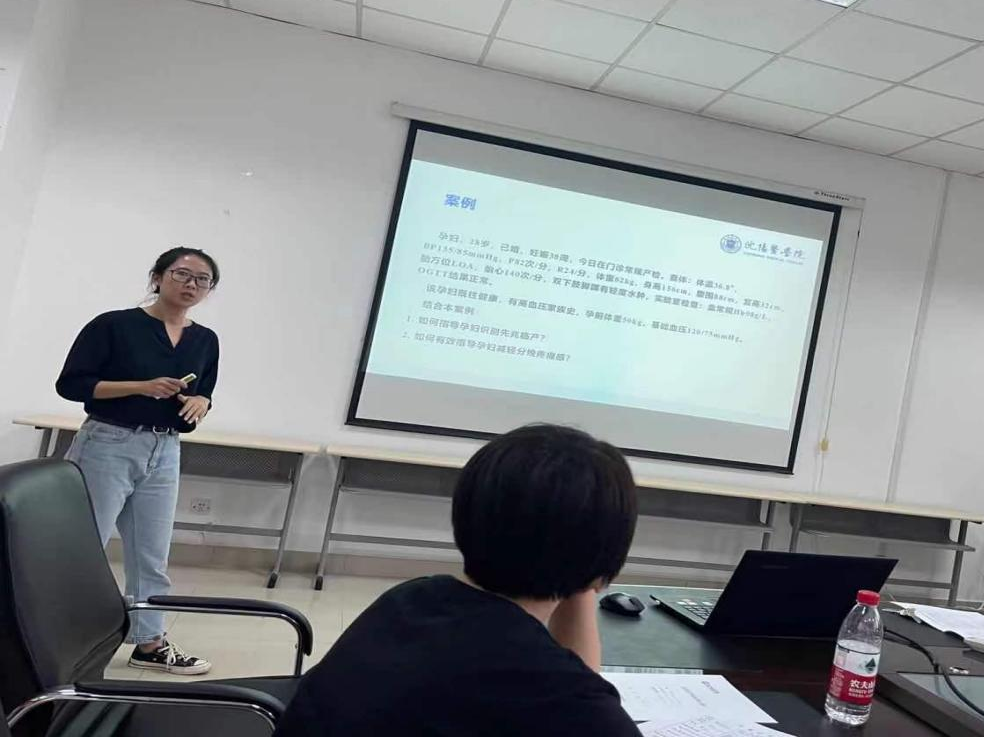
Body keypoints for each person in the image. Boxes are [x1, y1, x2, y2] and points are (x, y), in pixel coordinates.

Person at [276, 424, 641, 737]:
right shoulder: (564, 698)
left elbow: (582, 692)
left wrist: (585, 577)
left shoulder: (410, 599)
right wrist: (586, 573)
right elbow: (586, 703)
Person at [55, 247, 221, 675]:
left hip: (165, 449)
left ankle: (150, 643)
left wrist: (202, 402)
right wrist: (139, 386)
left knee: (151, 553)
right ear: (158, 277)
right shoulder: (114, 325)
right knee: (83, 546)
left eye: (202, 280)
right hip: (108, 442)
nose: (191, 285)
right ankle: (52, 639)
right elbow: (72, 384)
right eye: (182, 274)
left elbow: (204, 390)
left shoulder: (205, 340)